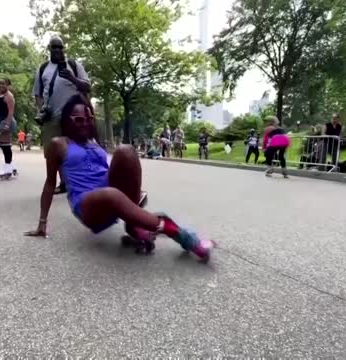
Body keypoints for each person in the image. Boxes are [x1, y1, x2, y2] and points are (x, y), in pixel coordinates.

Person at [24, 95, 213, 261]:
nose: (85, 123)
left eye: (89, 118)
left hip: (111, 193)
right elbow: (50, 183)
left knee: (126, 150)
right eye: (78, 119)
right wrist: (42, 223)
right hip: (87, 204)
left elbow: (112, 170)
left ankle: (133, 224)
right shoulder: (58, 144)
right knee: (110, 194)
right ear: (67, 120)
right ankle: (178, 233)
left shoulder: (93, 142)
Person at [33, 36, 91, 195]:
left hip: (73, 118)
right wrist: (42, 109)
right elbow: (37, 94)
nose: (58, 50)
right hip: (52, 117)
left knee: (77, 151)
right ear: (49, 49)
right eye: (54, 47)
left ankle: (81, 183)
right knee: (53, 153)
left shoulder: (74, 65)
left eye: (60, 47)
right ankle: (63, 183)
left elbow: (87, 86)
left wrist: (72, 78)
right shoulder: (43, 68)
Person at [0, 78, 18, 180]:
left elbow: (11, 112)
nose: (0, 85)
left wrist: (7, 125)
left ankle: (8, 169)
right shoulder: (1, 96)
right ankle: (12, 167)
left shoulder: (9, 97)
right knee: (3, 146)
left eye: (3, 84)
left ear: (8, 85)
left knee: (6, 146)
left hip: (7, 121)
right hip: (2, 121)